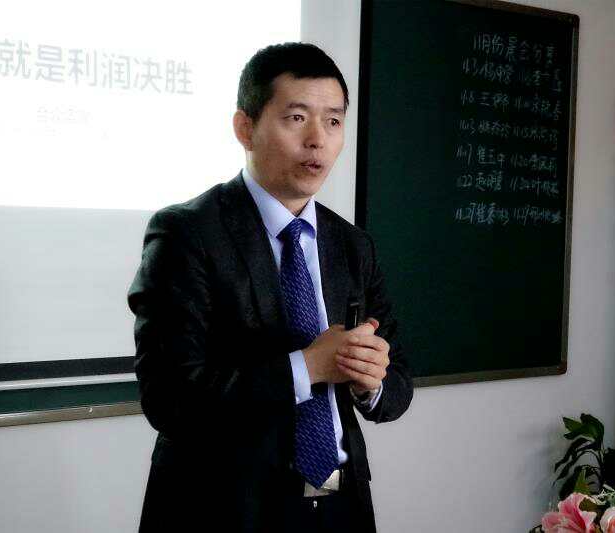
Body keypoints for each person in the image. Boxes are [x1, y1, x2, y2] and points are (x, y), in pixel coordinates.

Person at [128, 42, 413, 533]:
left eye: (333, 121)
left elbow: (398, 384)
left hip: (341, 506)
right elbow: (170, 399)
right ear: (245, 128)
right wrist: (309, 366)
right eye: (297, 118)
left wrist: (371, 381)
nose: (317, 140)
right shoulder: (187, 234)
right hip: (223, 510)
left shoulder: (352, 245)